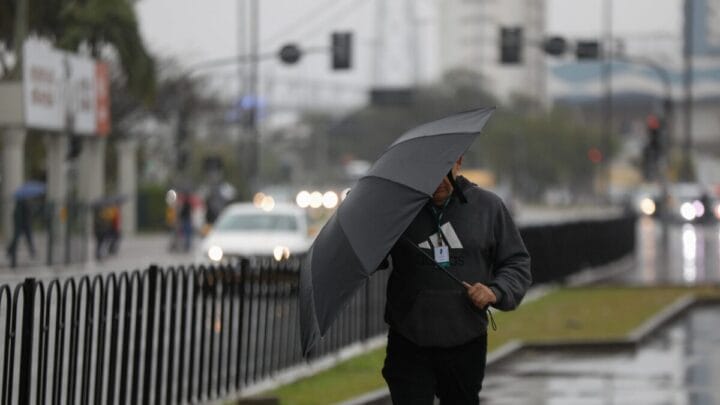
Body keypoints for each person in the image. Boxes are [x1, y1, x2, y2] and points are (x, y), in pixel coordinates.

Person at [380, 156, 532, 405]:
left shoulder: (488, 207)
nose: (438, 180)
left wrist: (496, 291)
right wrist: (372, 220)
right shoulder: (399, 211)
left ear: (458, 162)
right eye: (429, 171)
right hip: (408, 339)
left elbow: (516, 262)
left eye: (445, 170)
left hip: (465, 341)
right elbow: (372, 261)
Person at [7, 199, 36, 267]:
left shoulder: (24, 203)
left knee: (27, 239)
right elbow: (20, 215)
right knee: (17, 239)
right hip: (22, 225)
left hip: (24, 225)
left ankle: (32, 251)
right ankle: (11, 252)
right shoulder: (21, 204)